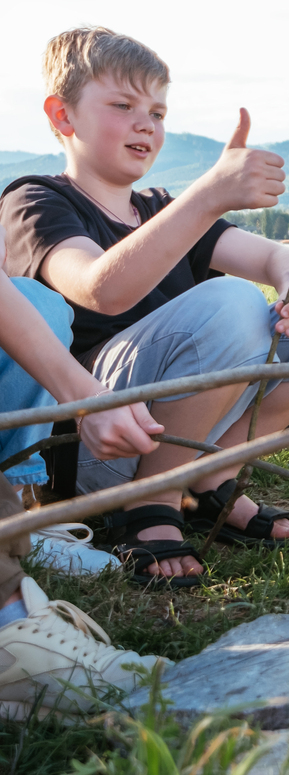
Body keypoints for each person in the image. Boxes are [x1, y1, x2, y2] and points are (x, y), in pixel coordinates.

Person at [0, 27, 289, 587]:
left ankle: (211, 474)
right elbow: (100, 287)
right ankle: (150, 503)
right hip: (97, 438)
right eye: (123, 105)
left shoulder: (159, 208)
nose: (147, 123)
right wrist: (208, 195)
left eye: (158, 112)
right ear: (63, 115)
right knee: (232, 303)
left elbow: (273, 260)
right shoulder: (36, 201)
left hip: (172, 435)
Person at [0, 224, 167, 721]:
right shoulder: (42, 203)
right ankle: (10, 635)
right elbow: (101, 287)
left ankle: (20, 515)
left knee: (31, 301)